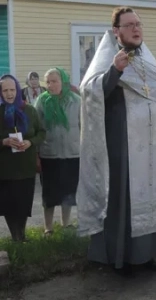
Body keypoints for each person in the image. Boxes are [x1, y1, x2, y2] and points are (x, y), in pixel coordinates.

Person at [77, 6, 156, 275]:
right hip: (123, 147)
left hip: (155, 146)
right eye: (129, 25)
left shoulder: (149, 61)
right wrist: (115, 71)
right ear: (116, 31)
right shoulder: (107, 59)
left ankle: (152, 253)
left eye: (139, 24)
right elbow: (90, 93)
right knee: (125, 201)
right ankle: (122, 259)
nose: (136, 29)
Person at [35, 68, 81, 236]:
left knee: (68, 191)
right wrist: (37, 155)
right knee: (49, 193)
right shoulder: (41, 101)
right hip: (50, 154)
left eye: (54, 81)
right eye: (48, 82)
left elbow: (83, 127)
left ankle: (66, 223)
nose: (50, 85)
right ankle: (48, 227)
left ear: (63, 82)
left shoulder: (76, 101)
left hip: (72, 153)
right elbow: (37, 128)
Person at [0, 75, 45, 241]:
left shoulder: (29, 110)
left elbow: (41, 132)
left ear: (17, 90)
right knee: (9, 205)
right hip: (5, 169)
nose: (9, 94)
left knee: (23, 203)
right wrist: (4, 141)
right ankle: (16, 237)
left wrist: (29, 141)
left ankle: (21, 234)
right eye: (5, 90)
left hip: (26, 167)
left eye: (12, 90)